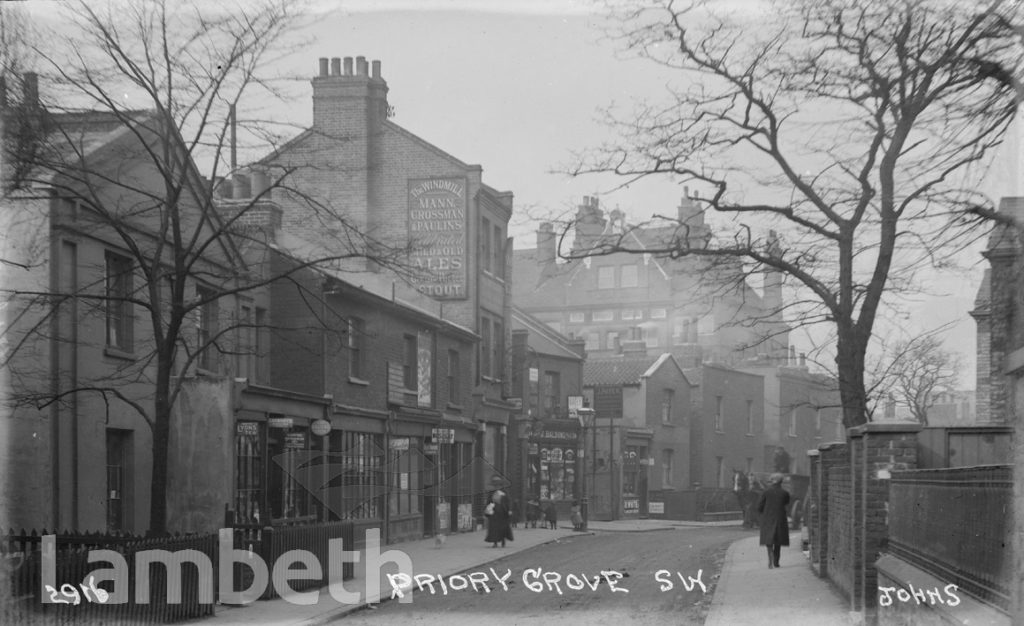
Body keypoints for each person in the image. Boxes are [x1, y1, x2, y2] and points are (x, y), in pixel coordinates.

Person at [757, 472, 791, 569]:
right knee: (778, 541)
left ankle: (770, 560)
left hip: (768, 518)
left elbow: (760, 506)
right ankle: (776, 562)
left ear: (773, 481)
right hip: (780, 518)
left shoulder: (766, 492)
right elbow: (786, 503)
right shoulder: (785, 493)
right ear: (781, 482)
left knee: (769, 540)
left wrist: (762, 512)